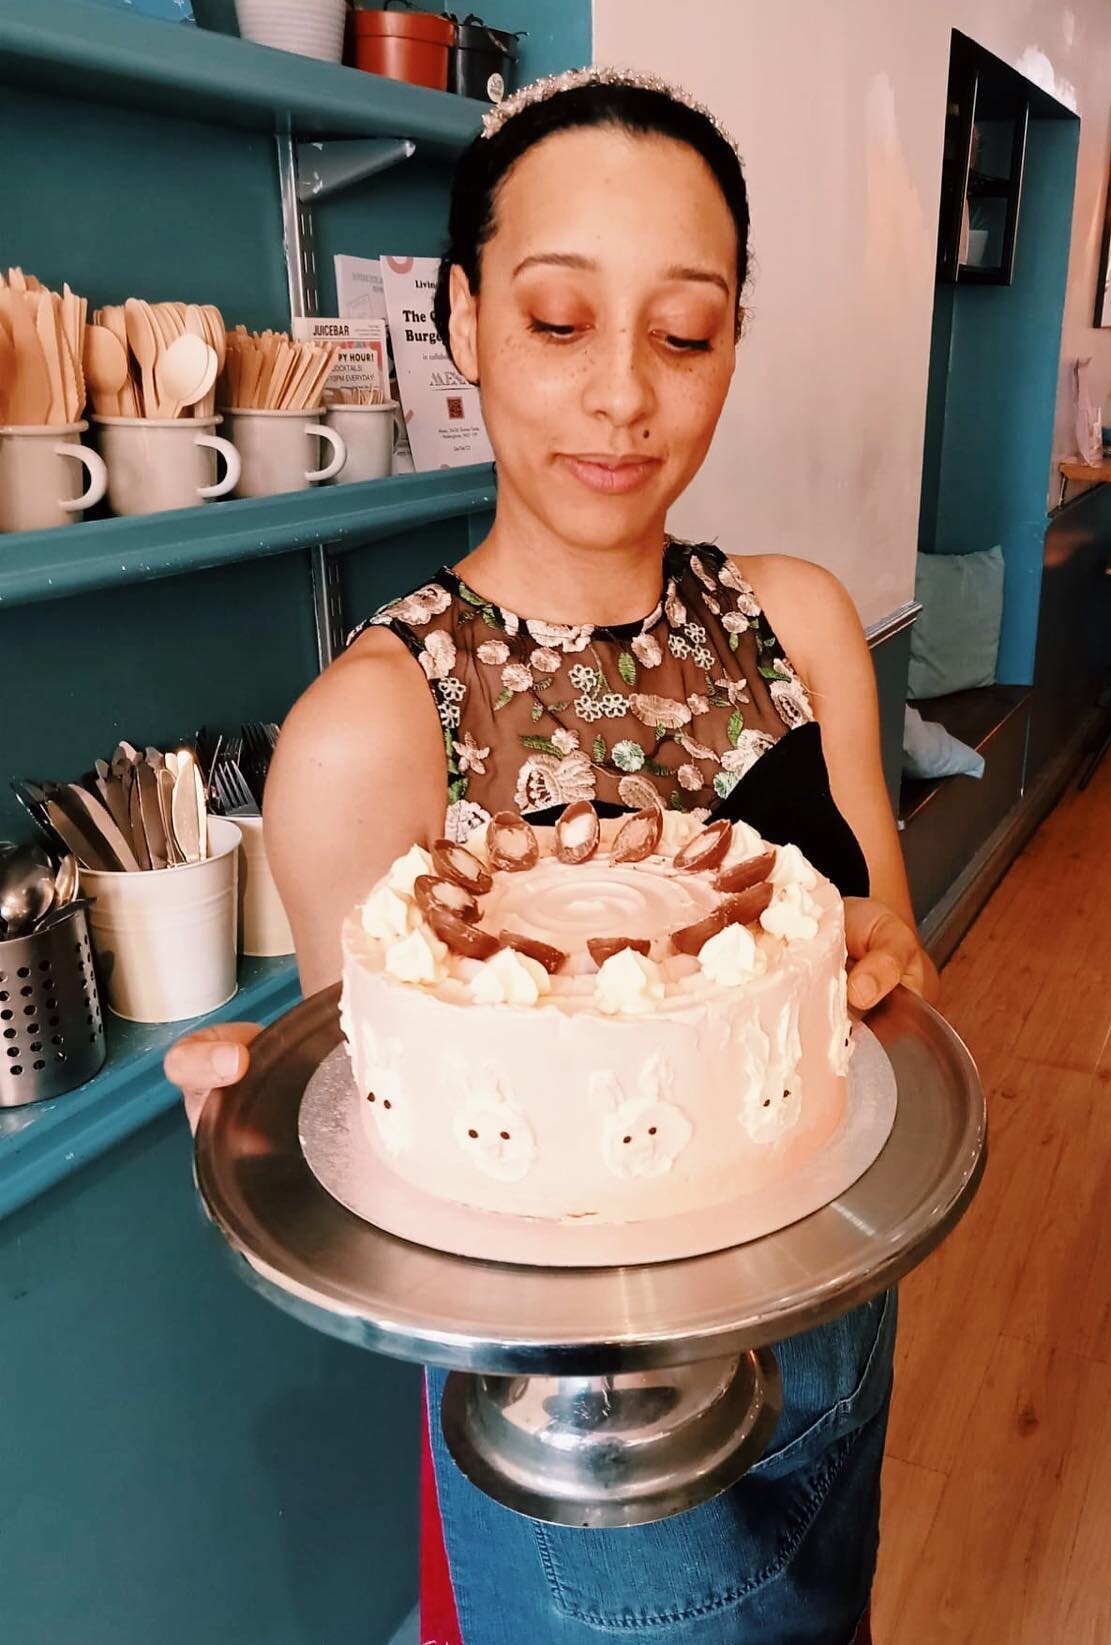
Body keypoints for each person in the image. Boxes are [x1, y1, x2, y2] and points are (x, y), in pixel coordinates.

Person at [164, 69, 937, 1645]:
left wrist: (891, 966)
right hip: (583, 1465)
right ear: (461, 322)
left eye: (685, 332)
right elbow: (419, 1154)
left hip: (839, 1344)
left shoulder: (802, 631)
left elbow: (886, 971)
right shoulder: (370, 733)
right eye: (560, 321)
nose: (623, 399)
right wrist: (288, 1104)